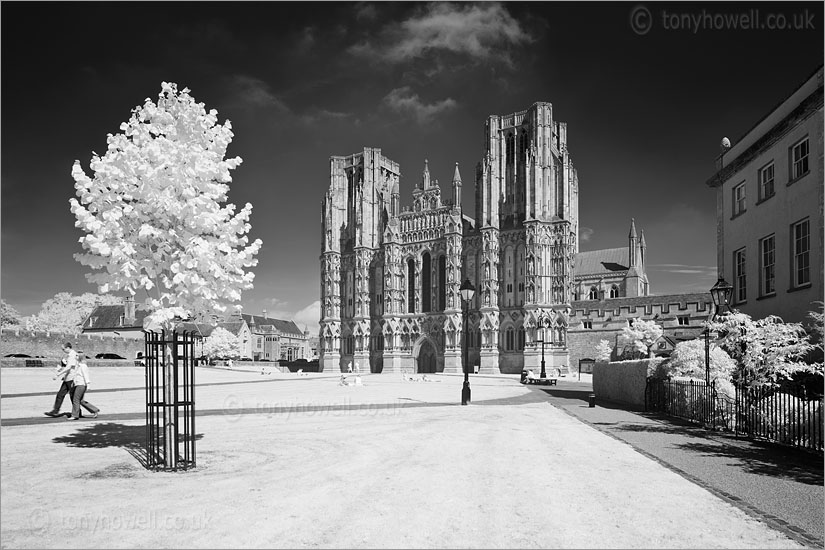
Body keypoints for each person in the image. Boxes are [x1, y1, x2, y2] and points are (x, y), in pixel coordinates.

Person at [44, 343, 78, 417]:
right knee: (60, 394)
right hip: (68, 378)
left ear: (68, 348)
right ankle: (55, 410)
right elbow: (68, 367)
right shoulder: (69, 355)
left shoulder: (73, 355)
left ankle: (79, 411)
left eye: (64, 349)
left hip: (72, 378)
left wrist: (58, 375)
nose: (63, 351)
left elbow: (69, 367)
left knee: (73, 397)